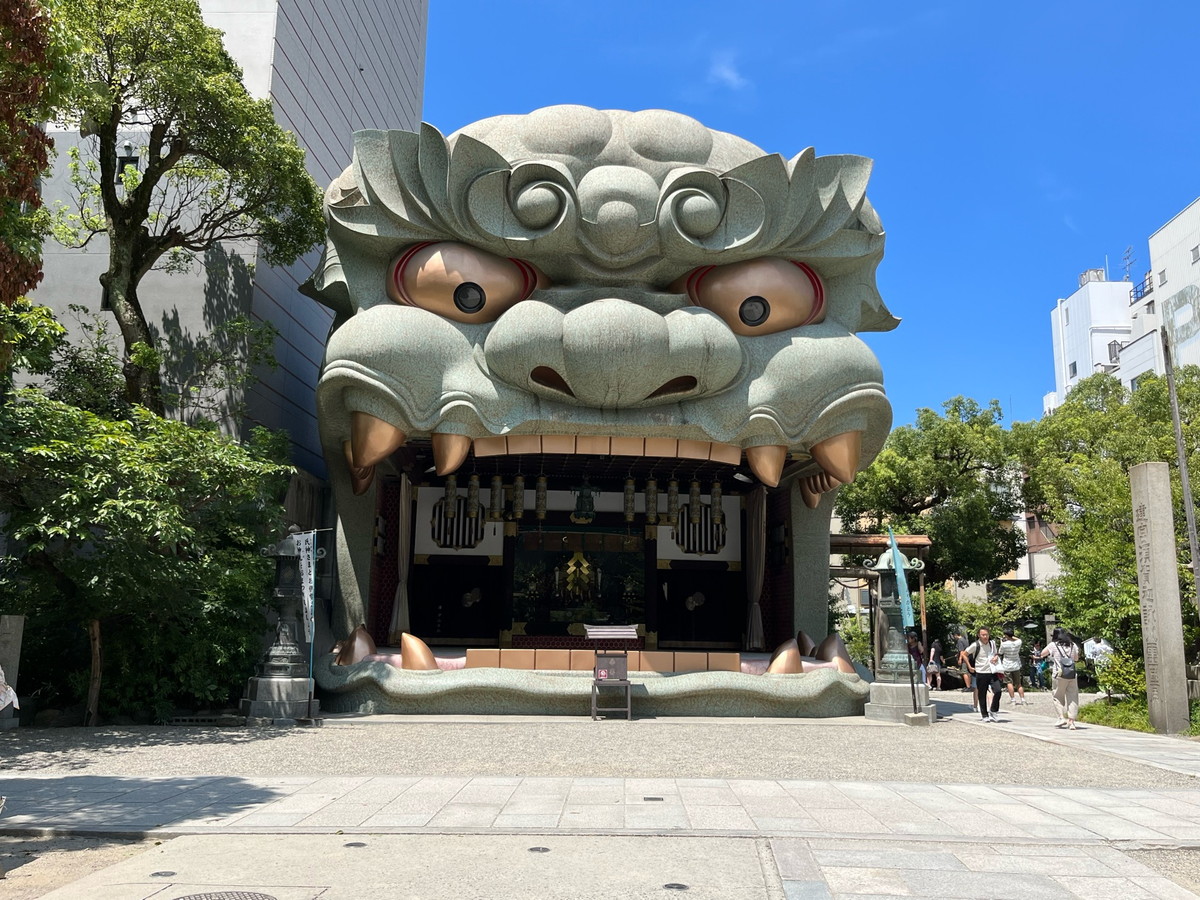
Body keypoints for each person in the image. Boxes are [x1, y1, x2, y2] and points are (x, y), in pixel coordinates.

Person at [1037, 627, 1080, 729]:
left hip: (1059, 674)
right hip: (1072, 674)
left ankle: (1061, 717)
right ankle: (1071, 721)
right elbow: (1076, 658)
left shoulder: (1053, 645)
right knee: (1073, 697)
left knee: (1057, 695)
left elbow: (1042, 654)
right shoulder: (1073, 645)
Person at [960, 627, 1002, 722]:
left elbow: (996, 653)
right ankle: (984, 715)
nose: (985, 637)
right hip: (981, 671)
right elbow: (964, 654)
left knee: (998, 690)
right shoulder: (975, 645)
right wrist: (969, 666)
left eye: (986, 634)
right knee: (982, 694)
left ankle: (993, 710)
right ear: (979, 635)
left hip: (992, 670)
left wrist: (996, 657)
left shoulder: (992, 643)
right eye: (983, 635)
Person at [999, 627, 1027, 706]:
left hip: (1007, 665)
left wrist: (1003, 640)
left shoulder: (1004, 644)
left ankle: (1013, 700)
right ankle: (1023, 699)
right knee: (1018, 684)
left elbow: (1000, 652)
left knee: (1009, 683)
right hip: (1016, 665)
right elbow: (1018, 639)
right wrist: (1010, 636)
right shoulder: (1018, 642)